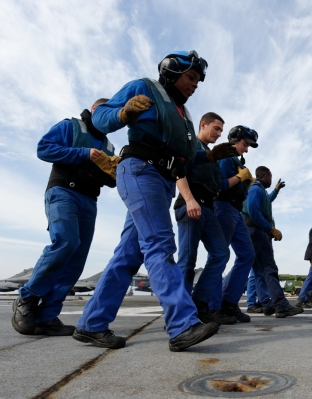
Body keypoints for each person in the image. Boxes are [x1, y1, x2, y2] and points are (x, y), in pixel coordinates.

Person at [73, 50, 236, 352]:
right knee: (160, 245)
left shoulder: (183, 115)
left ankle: (91, 324)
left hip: (161, 180)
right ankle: (182, 325)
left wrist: (210, 155)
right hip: (141, 170)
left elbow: (186, 157)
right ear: (172, 73)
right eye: (191, 77)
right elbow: (100, 115)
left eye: (198, 81)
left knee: (128, 255)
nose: (195, 85)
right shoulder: (145, 88)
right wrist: (124, 114)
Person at [12, 99, 118, 336]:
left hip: (89, 200)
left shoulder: (109, 146)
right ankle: (26, 298)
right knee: (66, 241)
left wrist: (114, 171)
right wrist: (84, 153)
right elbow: (44, 148)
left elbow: (111, 181)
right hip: (63, 192)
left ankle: (47, 316)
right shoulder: (72, 126)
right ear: (95, 110)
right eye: (108, 112)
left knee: (77, 258)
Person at [174, 112, 237, 325]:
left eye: (221, 130)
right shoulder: (190, 145)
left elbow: (218, 186)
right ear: (203, 124)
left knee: (221, 253)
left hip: (208, 209)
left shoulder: (212, 155)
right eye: (216, 128)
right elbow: (178, 171)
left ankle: (199, 303)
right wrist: (189, 199)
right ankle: (181, 314)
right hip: (191, 204)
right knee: (187, 260)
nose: (219, 134)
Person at [207, 125, 263, 323]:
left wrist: (244, 184)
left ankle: (229, 303)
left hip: (236, 211)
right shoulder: (223, 157)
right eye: (245, 144)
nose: (246, 149)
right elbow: (218, 185)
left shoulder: (235, 160)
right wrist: (239, 178)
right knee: (219, 256)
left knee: (247, 255)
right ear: (235, 139)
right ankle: (213, 308)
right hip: (222, 207)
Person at [243, 166, 303, 318]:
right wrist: (270, 229)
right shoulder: (256, 189)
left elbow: (267, 200)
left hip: (258, 232)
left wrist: (276, 190)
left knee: (260, 271)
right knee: (248, 268)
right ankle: (225, 303)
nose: (271, 179)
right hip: (257, 232)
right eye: (270, 177)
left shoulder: (260, 190)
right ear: (264, 176)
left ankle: (270, 304)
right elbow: (252, 210)